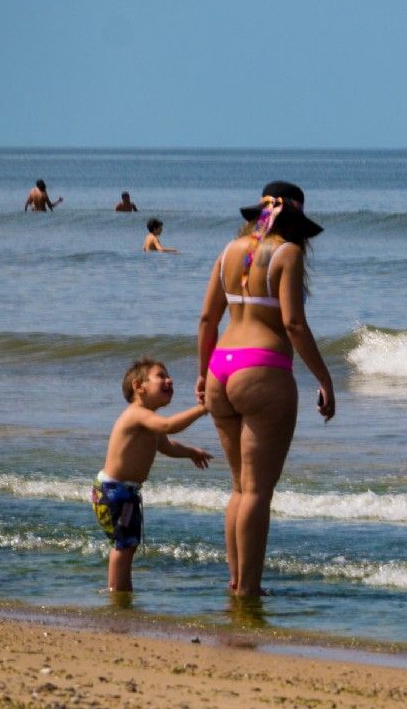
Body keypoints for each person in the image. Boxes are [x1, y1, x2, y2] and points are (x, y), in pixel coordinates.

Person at [197, 181, 334, 597]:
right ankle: (249, 590)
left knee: (239, 488)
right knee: (257, 491)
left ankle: (237, 580)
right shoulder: (287, 254)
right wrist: (325, 380)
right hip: (263, 370)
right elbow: (293, 324)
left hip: (222, 368)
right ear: (294, 221)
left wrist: (203, 374)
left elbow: (207, 320)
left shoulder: (227, 253)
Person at [94, 357, 212, 592]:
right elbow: (168, 426)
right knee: (123, 545)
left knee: (128, 544)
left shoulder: (149, 421)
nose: (169, 380)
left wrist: (190, 452)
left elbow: (167, 445)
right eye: (161, 376)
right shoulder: (137, 414)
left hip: (124, 492)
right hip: (114, 491)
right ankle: (117, 593)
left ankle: (121, 589)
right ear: (139, 387)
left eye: (168, 376)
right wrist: (202, 409)